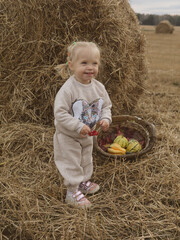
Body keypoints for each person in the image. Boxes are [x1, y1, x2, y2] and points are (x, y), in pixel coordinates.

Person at [53, 41, 112, 208]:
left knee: (86, 159)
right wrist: (78, 126)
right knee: (71, 162)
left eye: (94, 63)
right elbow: (60, 114)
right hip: (69, 135)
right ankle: (71, 192)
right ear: (71, 65)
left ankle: (83, 182)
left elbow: (106, 106)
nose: (90, 67)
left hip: (87, 135)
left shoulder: (99, 87)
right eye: (84, 63)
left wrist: (106, 119)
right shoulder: (68, 89)